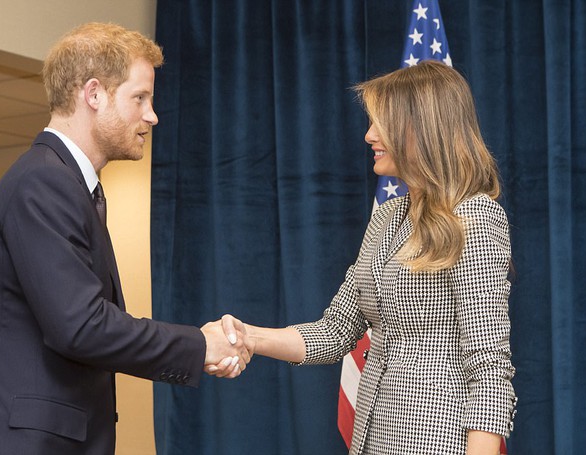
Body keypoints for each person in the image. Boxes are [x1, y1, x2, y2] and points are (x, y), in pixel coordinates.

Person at [0, 22, 249, 455]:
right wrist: (200, 344)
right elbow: (83, 326)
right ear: (93, 94)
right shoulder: (43, 184)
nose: (153, 115)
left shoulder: (67, 185)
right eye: (140, 98)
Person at [211, 60, 517, 454]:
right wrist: (247, 335)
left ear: (421, 127)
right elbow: (336, 331)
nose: (369, 135)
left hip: (439, 441)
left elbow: (490, 367)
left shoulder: (475, 217)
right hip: (373, 437)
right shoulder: (387, 218)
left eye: (381, 123)